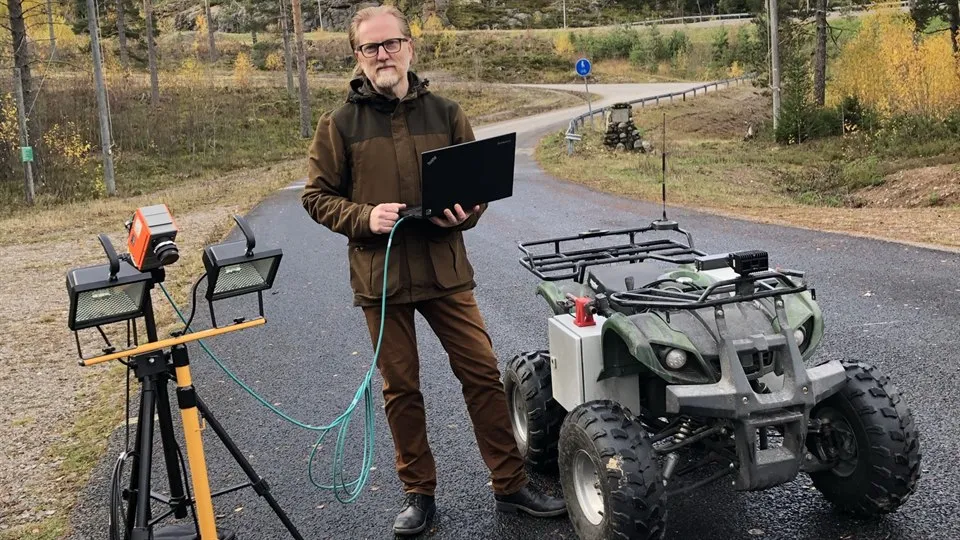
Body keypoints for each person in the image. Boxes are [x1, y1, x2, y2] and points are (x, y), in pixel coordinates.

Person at [300, 5, 566, 537]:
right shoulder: (339, 125)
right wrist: (362, 216)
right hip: (383, 280)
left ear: (410, 46)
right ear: (357, 56)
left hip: (446, 271)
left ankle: (511, 485)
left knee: (483, 376)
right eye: (371, 47)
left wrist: (466, 211)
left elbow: (479, 187)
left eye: (391, 43)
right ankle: (419, 495)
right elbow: (315, 196)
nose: (383, 55)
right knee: (401, 389)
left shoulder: (446, 113)